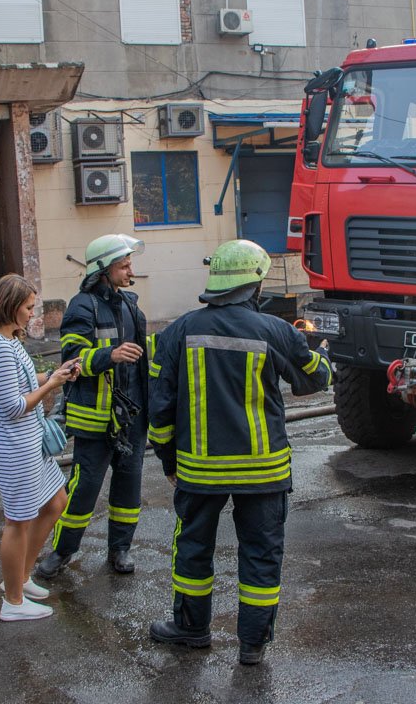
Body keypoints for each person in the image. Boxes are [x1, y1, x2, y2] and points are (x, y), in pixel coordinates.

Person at [145, 239, 332, 666]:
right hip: (263, 472)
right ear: (254, 283)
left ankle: (192, 629)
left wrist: (168, 459)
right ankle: (252, 644)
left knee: (193, 547)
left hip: (199, 470)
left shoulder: (179, 331)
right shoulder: (275, 330)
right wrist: (318, 350)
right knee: (261, 553)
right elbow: (314, 380)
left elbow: (160, 407)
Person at [35, 234, 152, 578]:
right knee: (84, 487)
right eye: (124, 264)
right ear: (103, 269)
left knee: (129, 486)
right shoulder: (81, 306)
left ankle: (120, 549)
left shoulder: (131, 305)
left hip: (131, 417)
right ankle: (62, 551)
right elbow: (71, 360)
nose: (131, 269)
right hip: (95, 420)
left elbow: (144, 362)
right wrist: (109, 355)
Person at [0, 273, 81, 621]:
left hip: (30, 442)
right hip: (16, 446)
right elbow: (13, 406)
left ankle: (21, 579)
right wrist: (51, 383)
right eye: (28, 307)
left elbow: (22, 384)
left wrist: (57, 374)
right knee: (18, 521)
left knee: (56, 501)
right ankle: (13, 601)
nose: (32, 314)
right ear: (10, 307)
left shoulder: (9, 341)